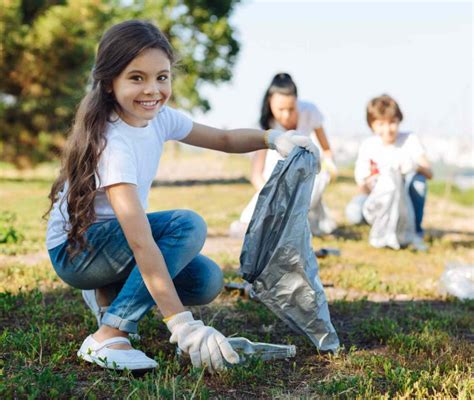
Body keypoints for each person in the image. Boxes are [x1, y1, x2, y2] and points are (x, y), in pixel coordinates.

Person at [44, 20, 317, 373]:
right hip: (77, 253)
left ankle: (108, 294)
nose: (152, 89)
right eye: (136, 77)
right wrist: (181, 324)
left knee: (206, 280)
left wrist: (272, 138)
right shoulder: (114, 143)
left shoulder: (159, 119)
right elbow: (141, 243)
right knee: (186, 225)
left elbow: (223, 140)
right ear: (110, 83)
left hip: (110, 246)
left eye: (162, 77)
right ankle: (109, 332)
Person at [345, 94, 433, 250]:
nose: (387, 129)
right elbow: (362, 187)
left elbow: (429, 172)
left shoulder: (409, 140)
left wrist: (414, 166)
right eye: (381, 124)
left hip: (405, 198)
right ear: (372, 124)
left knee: (418, 182)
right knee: (354, 212)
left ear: (399, 120)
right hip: (377, 199)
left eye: (392, 122)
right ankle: (380, 228)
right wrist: (376, 182)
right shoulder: (368, 146)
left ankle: (415, 231)